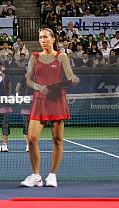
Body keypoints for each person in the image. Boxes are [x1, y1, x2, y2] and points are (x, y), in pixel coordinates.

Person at [21, 28, 79, 188]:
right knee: (32, 139)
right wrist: (39, 88)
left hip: (57, 101)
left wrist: (73, 80)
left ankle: (52, 175)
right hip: (39, 100)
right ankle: (36, 176)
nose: (43, 40)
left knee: (58, 139)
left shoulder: (62, 56)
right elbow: (28, 80)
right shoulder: (34, 57)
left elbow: (69, 77)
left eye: (46, 37)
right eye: (40, 37)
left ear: (53, 39)